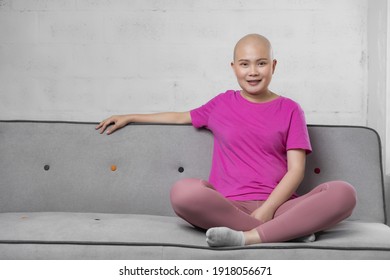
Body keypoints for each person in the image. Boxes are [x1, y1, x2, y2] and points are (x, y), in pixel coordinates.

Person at [96, 34, 357, 247]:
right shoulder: (221, 104)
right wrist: (130, 116)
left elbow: (296, 170)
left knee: (344, 193)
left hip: (281, 206)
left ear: (274, 66)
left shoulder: (290, 109)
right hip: (228, 206)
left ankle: (249, 237)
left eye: (261, 63)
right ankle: (285, 233)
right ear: (234, 68)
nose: (253, 72)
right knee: (182, 192)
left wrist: (267, 210)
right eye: (244, 64)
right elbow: (178, 117)